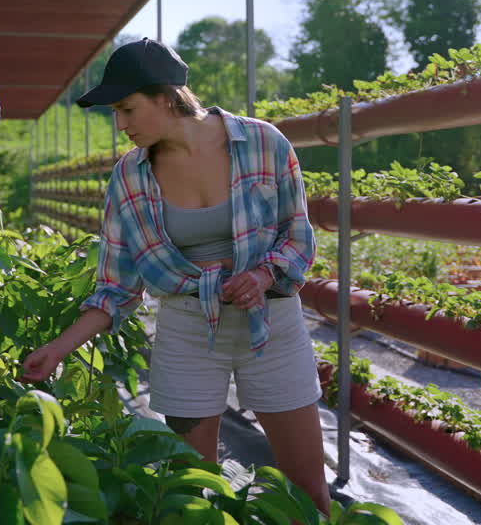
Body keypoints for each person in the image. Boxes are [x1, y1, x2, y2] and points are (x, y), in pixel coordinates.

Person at [20, 38, 329, 513]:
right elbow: (116, 287)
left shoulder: (264, 143)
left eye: (127, 109)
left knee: (307, 491)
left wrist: (264, 275)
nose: (120, 125)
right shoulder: (130, 176)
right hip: (187, 330)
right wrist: (58, 350)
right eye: (115, 114)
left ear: (166, 97)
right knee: (189, 492)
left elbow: (298, 236)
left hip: (272, 325)